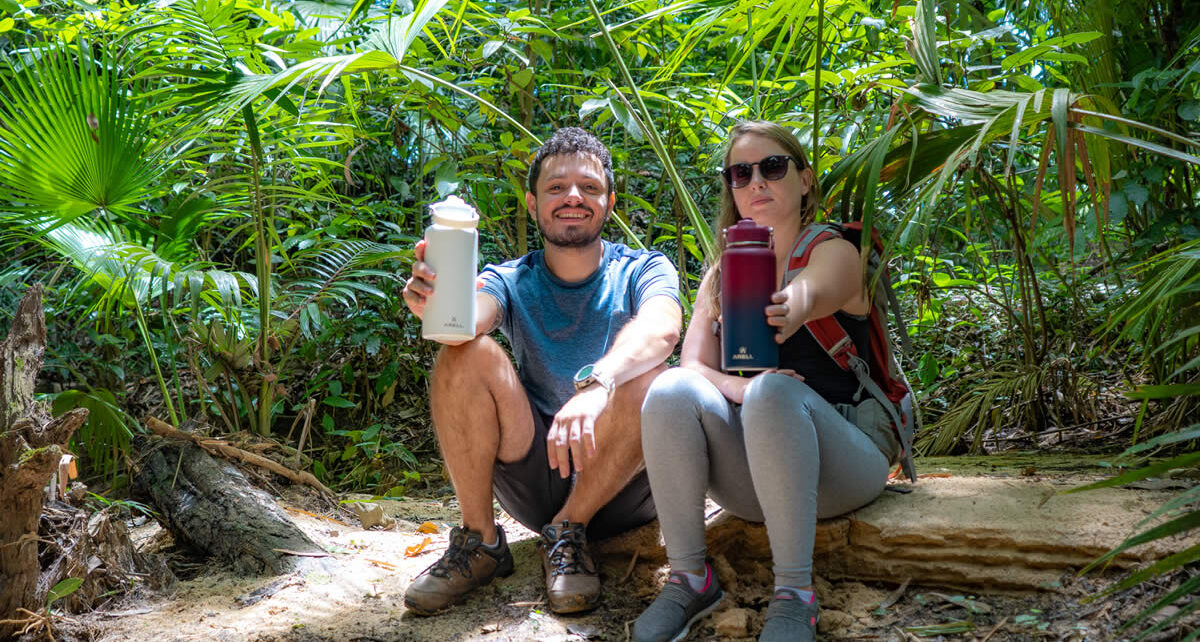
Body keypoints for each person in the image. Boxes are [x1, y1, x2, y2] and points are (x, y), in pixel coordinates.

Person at [631, 120, 899, 642]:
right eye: (740, 172)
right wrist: (740, 388)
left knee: (776, 393)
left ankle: (795, 593)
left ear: (804, 179)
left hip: (846, 465)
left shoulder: (838, 249)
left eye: (772, 167)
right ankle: (690, 577)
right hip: (758, 479)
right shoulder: (721, 272)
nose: (756, 182)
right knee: (668, 390)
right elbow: (691, 367)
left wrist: (790, 305)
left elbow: (818, 290)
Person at [400, 127, 682, 616]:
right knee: (464, 352)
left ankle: (569, 531)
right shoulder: (510, 278)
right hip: (537, 472)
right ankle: (480, 542)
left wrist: (598, 384)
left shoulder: (642, 268)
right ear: (533, 204)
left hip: (622, 484)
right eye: (556, 187)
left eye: (589, 187)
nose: (573, 196)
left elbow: (662, 329)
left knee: (654, 379)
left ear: (609, 202)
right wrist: (439, 308)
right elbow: (472, 318)